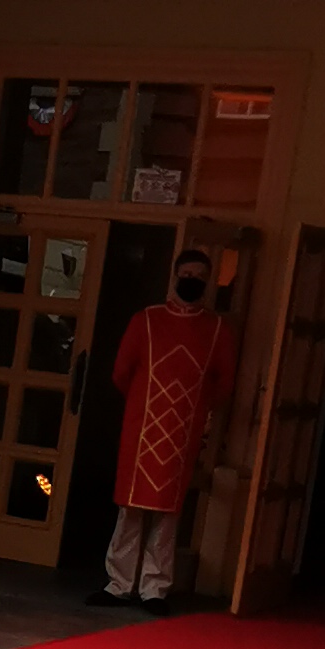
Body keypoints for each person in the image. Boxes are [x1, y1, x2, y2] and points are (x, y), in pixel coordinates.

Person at [98, 245, 237, 606]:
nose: (192, 281)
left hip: (183, 433)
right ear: (175, 277)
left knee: (168, 513)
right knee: (130, 509)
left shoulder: (217, 329)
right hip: (141, 429)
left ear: (208, 283)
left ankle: (154, 589)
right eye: (187, 275)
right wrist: (146, 404)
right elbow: (121, 373)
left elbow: (224, 383)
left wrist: (194, 410)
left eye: (200, 278)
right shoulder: (146, 320)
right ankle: (119, 584)